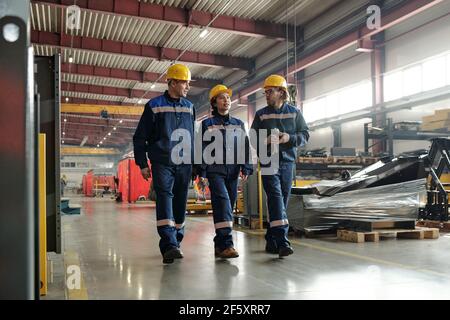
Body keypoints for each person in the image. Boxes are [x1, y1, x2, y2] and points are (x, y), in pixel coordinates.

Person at [133, 64, 195, 264]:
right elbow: (140, 137)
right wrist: (142, 163)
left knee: (180, 202)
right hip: (163, 163)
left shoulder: (189, 107)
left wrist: (195, 164)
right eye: (185, 82)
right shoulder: (154, 105)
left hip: (185, 163)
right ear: (173, 82)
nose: (187, 86)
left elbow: (192, 137)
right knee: (165, 198)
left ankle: (175, 242)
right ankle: (168, 244)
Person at [250, 75, 310, 258]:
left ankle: (271, 239)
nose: (266, 94)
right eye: (265, 92)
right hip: (269, 162)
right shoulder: (261, 114)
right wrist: (265, 141)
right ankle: (283, 241)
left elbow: (305, 135)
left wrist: (289, 138)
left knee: (281, 200)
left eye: (270, 91)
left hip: (287, 163)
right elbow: (252, 139)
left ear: (282, 92)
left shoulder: (295, 113)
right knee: (276, 198)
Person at [199, 85, 253, 259]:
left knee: (227, 206)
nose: (226, 100)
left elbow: (245, 147)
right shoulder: (207, 124)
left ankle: (219, 244)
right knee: (223, 204)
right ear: (214, 102)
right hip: (215, 170)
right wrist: (201, 171)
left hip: (233, 171)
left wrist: (246, 165)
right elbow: (201, 148)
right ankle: (227, 244)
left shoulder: (238, 124)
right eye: (222, 98)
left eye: (228, 98)